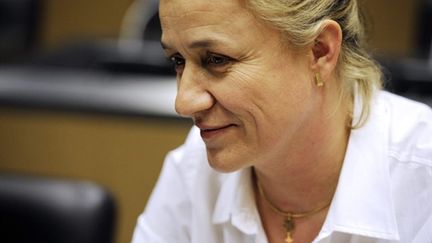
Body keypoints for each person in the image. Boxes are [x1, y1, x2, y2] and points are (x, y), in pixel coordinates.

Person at [131, 0, 432, 242]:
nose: (183, 103)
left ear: (320, 51)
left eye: (217, 59)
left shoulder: (422, 177)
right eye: (177, 61)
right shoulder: (193, 171)